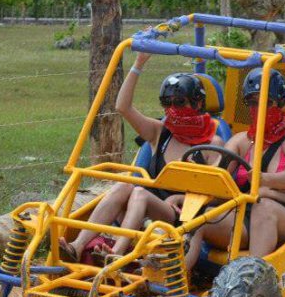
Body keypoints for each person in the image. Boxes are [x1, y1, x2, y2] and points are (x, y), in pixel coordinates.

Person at [60, 51, 223, 262]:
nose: (172, 109)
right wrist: (138, 63)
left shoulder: (213, 144)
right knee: (122, 187)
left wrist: (181, 197)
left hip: (181, 219)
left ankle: (116, 254)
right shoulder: (160, 132)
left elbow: (219, 194)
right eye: (167, 102)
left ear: (197, 103)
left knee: (139, 193)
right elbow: (122, 107)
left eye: (180, 102)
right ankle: (76, 246)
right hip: (145, 212)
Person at [185, 67, 285, 266]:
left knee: (263, 207)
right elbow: (219, 175)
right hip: (244, 216)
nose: (258, 109)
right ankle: (176, 285)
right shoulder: (241, 141)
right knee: (198, 218)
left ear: (280, 103)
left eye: (265, 102)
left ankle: (252, 280)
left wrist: (263, 179)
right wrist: (199, 175)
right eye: (252, 103)